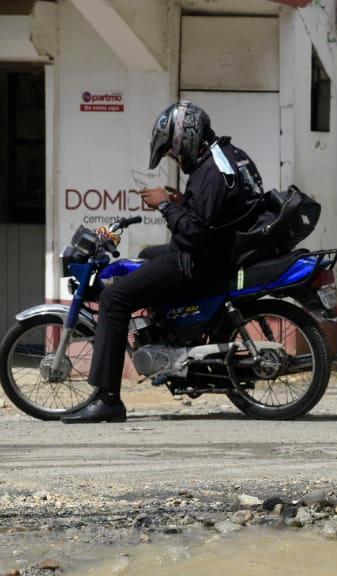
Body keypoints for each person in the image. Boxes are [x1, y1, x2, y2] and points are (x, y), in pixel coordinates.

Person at [63, 101, 263, 423]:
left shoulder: (210, 170)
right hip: (215, 254)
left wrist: (164, 207)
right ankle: (168, 333)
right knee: (144, 258)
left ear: (186, 136)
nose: (174, 155)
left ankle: (107, 399)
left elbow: (195, 234)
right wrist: (179, 201)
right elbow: (211, 216)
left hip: (199, 263)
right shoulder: (225, 157)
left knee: (114, 299)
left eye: (173, 149)